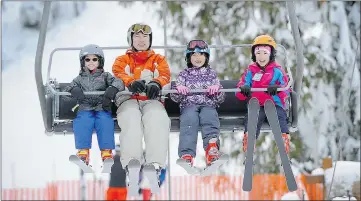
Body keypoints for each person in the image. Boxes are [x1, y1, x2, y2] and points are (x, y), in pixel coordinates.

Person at [112, 23, 171, 184]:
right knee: (131, 120)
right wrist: (130, 82)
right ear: (130, 39)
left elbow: (165, 74)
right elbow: (117, 73)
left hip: (151, 99)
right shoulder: (123, 60)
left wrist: (157, 83)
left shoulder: (158, 60)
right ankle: (132, 165)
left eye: (145, 37)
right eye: (137, 36)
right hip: (128, 99)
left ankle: (155, 165)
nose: (141, 40)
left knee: (157, 118)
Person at [64, 44, 125, 165]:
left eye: (94, 59)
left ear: (100, 61)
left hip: (102, 106)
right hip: (85, 107)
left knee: (105, 122)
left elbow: (119, 82)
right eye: (87, 59)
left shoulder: (105, 76)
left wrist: (112, 89)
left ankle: (106, 152)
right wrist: (74, 90)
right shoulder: (80, 78)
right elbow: (68, 87)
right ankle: (83, 151)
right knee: (82, 122)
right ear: (83, 62)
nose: (91, 62)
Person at [170, 39, 226, 168]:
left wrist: (216, 91)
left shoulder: (211, 74)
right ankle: (187, 154)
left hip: (208, 104)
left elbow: (221, 98)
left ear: (206, 57)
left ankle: (211, 148)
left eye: (201, 54)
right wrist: (179, 90)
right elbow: (174, 97)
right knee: (189, 121)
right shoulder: (184, 74)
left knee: (210, 117)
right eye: (194, 55)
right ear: (189, 58)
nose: (197, 58)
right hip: (189, 104)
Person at [235, 34, 291, 154]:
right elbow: (239, 90)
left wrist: (278, 89)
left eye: (265, 53)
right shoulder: (250, 71)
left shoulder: (277, 70)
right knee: (252, 117)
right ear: (254, 55)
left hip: (273, 103)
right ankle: (249, 139)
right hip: (257, 104)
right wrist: (244, 89)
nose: (261, 57)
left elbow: (286, 89)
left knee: (279, 116)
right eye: (258, 53)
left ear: (271, 54)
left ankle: (283, 138)